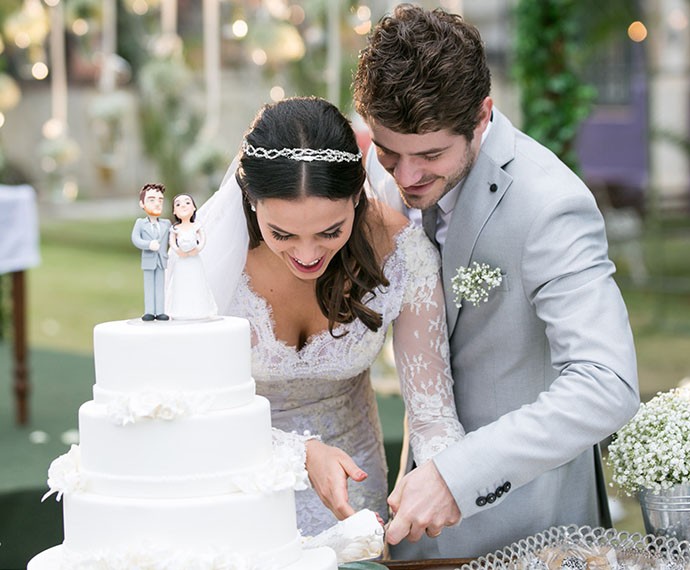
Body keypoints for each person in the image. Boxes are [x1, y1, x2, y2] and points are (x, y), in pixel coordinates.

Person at [352, 3, 640, 559]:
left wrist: (460, 474)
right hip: (416, 533)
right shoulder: (384, 179)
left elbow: (608, 383)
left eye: (430, 155)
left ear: (482, 115)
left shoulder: (550, 204)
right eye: (390, 154)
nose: (406, 178)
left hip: (534, 533)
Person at [197, 96, 465, 536]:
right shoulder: (205, 257)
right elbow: (188, 405)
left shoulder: (402, 254)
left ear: (356, 196)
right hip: (230, 488)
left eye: (330, 231)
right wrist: (298, 453)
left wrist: (437, 478)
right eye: (281, 233)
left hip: (352, 489)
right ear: (250, 200)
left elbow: (432, 414)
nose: (306, 255)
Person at [166, 193, 217, 320]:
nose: (183, 205)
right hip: (181, 261)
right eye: (178, 204)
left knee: (196, 281)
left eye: (187, 202)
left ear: (194, 208)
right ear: (174, 211)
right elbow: (171, 241)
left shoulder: (196, 226)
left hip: (194, 260)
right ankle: (181, 309)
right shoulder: (175, 228)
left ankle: (199, 308)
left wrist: (198, 248)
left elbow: (203, 238)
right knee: (182, 283)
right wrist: (178, 251)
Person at [131, 182, 171, 321]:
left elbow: (172, 238)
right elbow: (135, 239)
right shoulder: (140, 223)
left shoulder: (166, 224)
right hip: (148, 260)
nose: (157, 203)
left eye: (160, 200)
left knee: (160, 286)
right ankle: (149, 311)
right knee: (149, 286)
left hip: (161, 260)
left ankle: (160, 311)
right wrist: (148, 244)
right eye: (152, 200)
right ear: (142, 204)